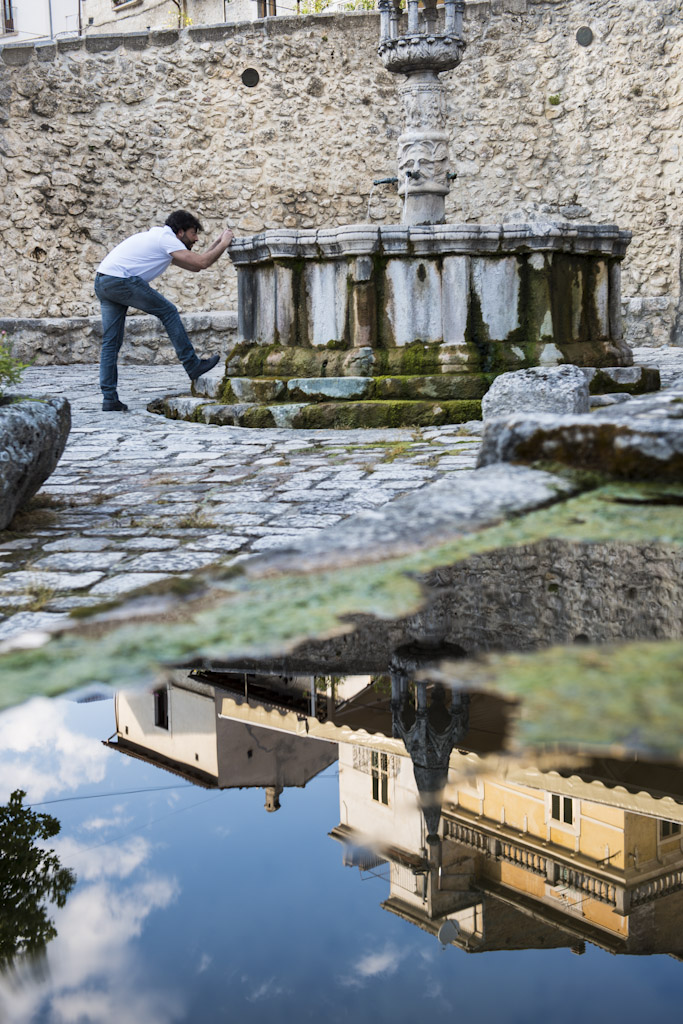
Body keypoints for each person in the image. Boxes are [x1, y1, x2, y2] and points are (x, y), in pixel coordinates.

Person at [94, 210, 234, 411]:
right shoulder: (165, 239)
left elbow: (195, 265)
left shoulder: (161, 239)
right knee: (168, 311)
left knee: (111, 342)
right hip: (119, 281)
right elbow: (201, 263)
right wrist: (224, 243)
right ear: (180, 232)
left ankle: (109, 398)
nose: (196, 238)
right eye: (193, 233)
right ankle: (191, 364)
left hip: (103, 281)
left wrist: (219, 242)